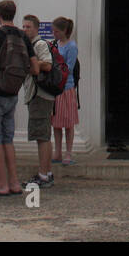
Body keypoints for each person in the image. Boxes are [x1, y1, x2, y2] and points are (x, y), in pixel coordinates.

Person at [0, 0, 38, 197]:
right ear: (14, 13)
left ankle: (2, 184)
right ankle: (14, 183)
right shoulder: (23, 36)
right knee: (8, 139)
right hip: (12, 94)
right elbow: (35, 68)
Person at [20, 15, 57, 188]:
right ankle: (46, 172)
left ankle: (43, 175)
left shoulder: (39, 44)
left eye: (28, 27)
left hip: (39, 95)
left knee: (41, 136)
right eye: (24, 27)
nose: (25, 29)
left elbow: (48, 65)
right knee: (44, 135)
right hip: (36, 94)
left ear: (36, 28)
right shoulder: (31, 45)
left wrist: (30, 63)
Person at [50, 16, 79, 165]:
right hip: (55, 88)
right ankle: (57, 152)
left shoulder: (71, 46)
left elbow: (69, 67)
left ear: (64, 31)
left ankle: (68, 152)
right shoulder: (56, 44)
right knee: (56, 122)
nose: (54, 33)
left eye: (56, 31)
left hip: (66, 87)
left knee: (68, 122)